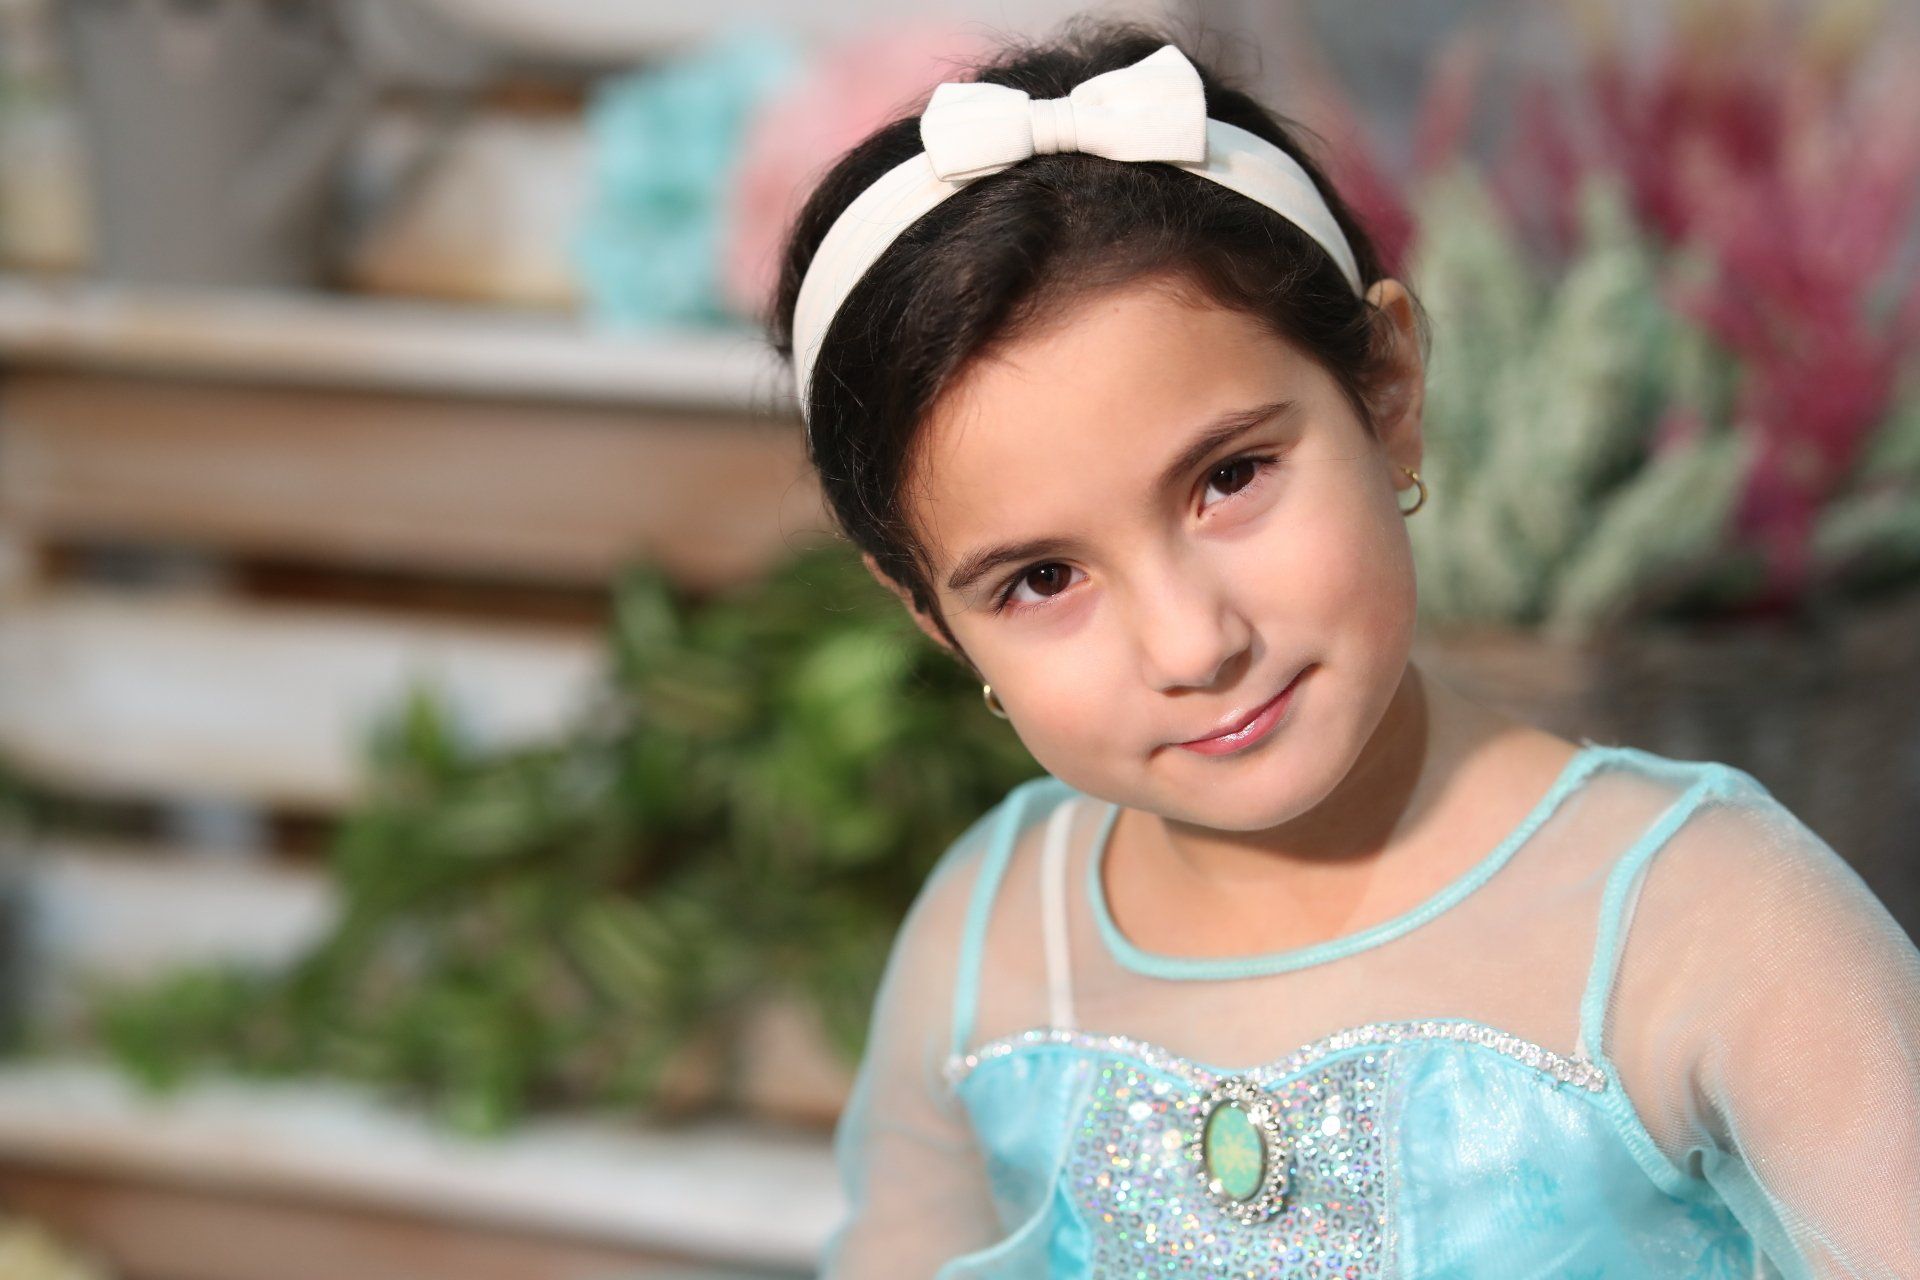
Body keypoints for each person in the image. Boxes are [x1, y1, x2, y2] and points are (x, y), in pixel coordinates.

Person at [763, 17, 1920, 1278]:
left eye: (1230, 476)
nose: (1194, 642)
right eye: (1042, 578)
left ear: (1388, 391)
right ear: (929, 611)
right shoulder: (989, 937)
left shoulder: (1710, 919)